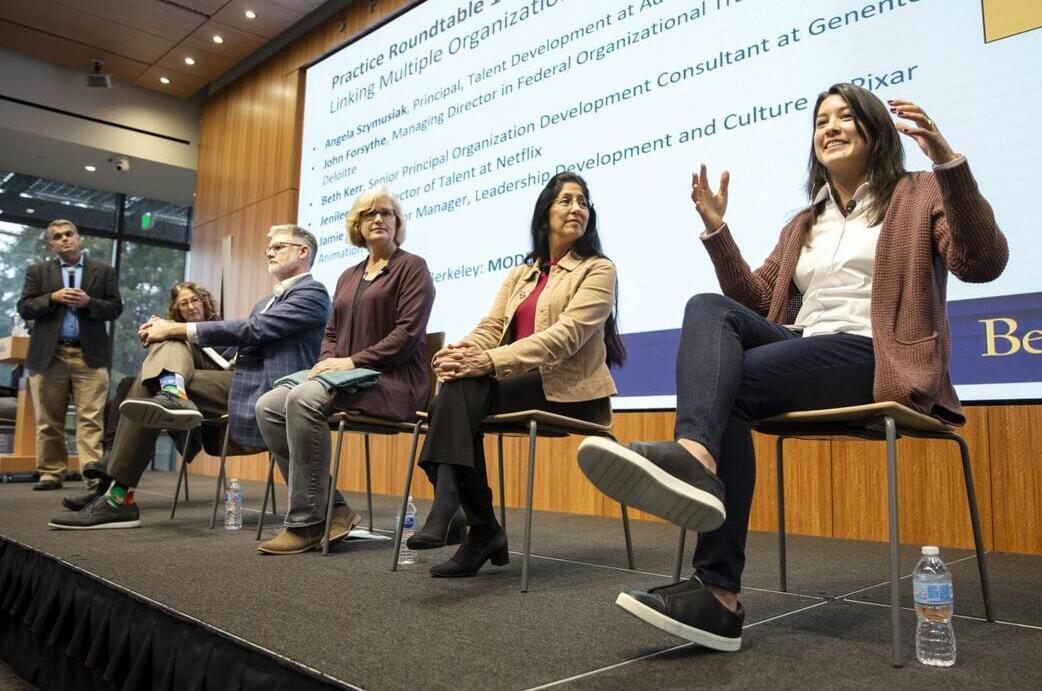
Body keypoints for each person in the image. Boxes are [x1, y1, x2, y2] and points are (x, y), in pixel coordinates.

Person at [577, 84, 1008, 652]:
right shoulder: (805, 223)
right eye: (820, 120)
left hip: (872, 354)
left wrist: (948, 164)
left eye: (844, 117)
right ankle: (700, 475)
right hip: (804, 345)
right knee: (707, 310)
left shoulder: (918, 194)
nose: (829, 127)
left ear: (876, 131)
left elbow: (983, 262)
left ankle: (717, 587)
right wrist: (716, 230)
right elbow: (754, 301)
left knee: (722, 388)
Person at [412, 171, 626, 577]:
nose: (576, 208)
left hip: (570, 388)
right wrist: (459, 352)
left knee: (455, 396)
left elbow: (567, 337)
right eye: (566, 200)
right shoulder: (522, 274)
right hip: (517, 381)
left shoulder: (598, 270)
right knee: (455, 393)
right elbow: (492, 327)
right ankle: (475, 524)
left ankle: (462, 515)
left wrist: (488, 362)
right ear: (545, 212)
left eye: (583, 202)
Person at [48, 225, 331, 529]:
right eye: (269, 248)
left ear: (303, 252)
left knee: (156, 361)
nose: (270, 252)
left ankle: (117, 496)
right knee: (156, 365)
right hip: (237, 376)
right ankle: (171, 394)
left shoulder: (312, 292)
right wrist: (170, 328)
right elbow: (244, 339)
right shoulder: (264, 302)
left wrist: (176, 328)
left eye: (278, 246)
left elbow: (255, 331)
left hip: (267, 387)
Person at [255, 186, 435, 554]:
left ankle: (305, 522)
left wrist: (351, 362)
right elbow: (332, 332)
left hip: (394, 380)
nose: (379, 219)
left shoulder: (412, 267)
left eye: (386, 213)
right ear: (358, 225)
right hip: (348, 378)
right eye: (369, 214)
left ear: (397, 223)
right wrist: (326, 362)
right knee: (269, 405)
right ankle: (334, 507)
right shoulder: (348, 275)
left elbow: (407, 335)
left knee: (304, 397)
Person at [59, 281, 225, 512]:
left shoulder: (222, 329)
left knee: (169, 342)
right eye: (183, 303)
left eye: (194, 300)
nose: (190, 306)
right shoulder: (174, 333)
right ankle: (109, 476)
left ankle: (109, 477)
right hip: (175, 393)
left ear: (205, 301)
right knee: (128, 385)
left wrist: (170, 330)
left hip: (209, 396)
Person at [17, 220, 123, 491]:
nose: (64, 239)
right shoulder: (38, 272)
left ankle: (93, 475)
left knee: (90, 419)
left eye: (68, 234)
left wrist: (89, 303)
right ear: (52, 244)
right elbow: (25, 308)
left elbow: (114, 308)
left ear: (78, 237)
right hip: (49, 355)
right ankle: (51, 473)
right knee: (49, 419)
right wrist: (52, 297)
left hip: (91, 355)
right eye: (57, 237)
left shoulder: (104, 271)